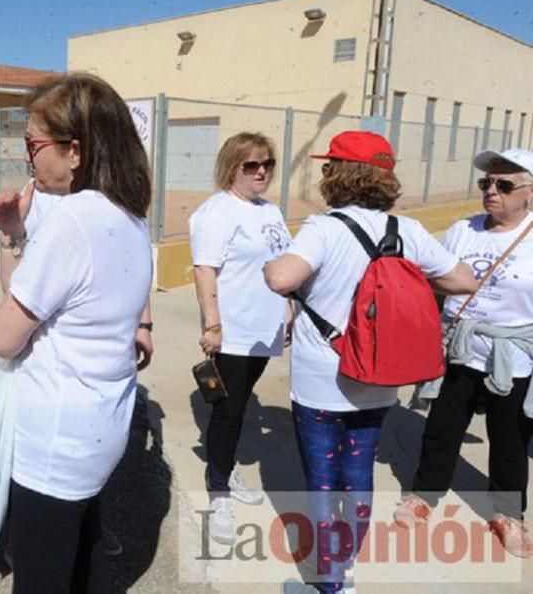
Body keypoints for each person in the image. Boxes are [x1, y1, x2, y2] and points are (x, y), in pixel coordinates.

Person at [263, 130, 476, 593]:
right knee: (357, 472)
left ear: (337, 173)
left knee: (323, 480)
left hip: (324, 379)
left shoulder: (324, 228)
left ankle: (330, 582)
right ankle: (347, 566)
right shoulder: (407, 231)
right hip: (381, 377)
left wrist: (269, 265)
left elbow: (282, 277)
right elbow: (462, 280)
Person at [0, 72, 153, 593]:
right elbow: (35, 292)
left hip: (55, 442)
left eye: (34, 144)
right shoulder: (130, 214)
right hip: (99, 426)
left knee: (42, 576)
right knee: (86, 560)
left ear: (75, 151)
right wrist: (12, 234)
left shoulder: (73, 219)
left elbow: (3, 336)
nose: (29, 157)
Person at [394, 147, 533, 558]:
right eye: (486, 183)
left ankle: (508, 513)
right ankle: (423, 495)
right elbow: (430, 279)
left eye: (504, 184)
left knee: (510, 438)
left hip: (513, 353)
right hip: (460, 347)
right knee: (442, 426)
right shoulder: (462, 230)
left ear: (529, 191)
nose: (492, 191)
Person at [188, 131, 292, 545]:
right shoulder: (217, 212)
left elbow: (281, 262)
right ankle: (219, 492)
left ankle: (225, 463)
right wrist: (212, 324)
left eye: (267, 163)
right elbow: (204, 270)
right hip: (232, 331)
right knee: (228, 412)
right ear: (232, 167)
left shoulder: (270, 211)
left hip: (263, 330)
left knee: (242, 402)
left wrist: (286, 313)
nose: (262, 171)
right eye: (251, 165)